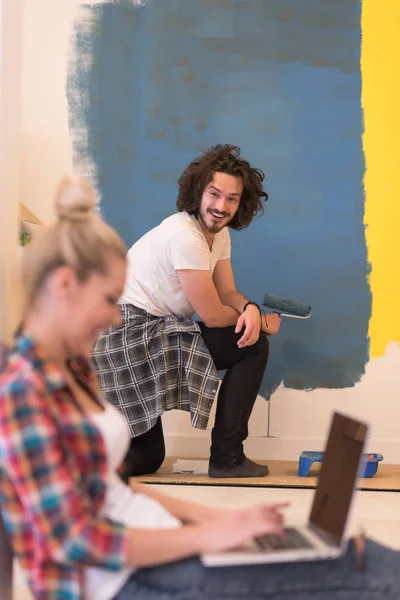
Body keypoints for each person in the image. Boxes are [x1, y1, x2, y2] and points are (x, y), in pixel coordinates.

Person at [0, 178, 399, 600]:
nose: (115, 317)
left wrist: (212, 519)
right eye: (109, 299)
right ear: (65, 286)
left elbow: (109, 485)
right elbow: (78, 543)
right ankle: (227, 457)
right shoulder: (24, 391)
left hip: (158, 547)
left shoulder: (70, 368)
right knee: (363, 564)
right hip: (127, 579)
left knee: (349, 551)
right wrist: (206, 537)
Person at [91, 144, 281, 480]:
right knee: (252, 344)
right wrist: (261, 323)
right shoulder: (185, 236)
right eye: (214, 194)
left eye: (232, 198)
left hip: (151, 331)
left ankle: (86, 465)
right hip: (126, 337)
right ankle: (227, 458)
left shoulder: (217, 236)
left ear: (241, 203)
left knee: (148, 457)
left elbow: (227, 293)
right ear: (198, 192)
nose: (221, 206)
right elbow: (212, 317)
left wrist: (249, 308)